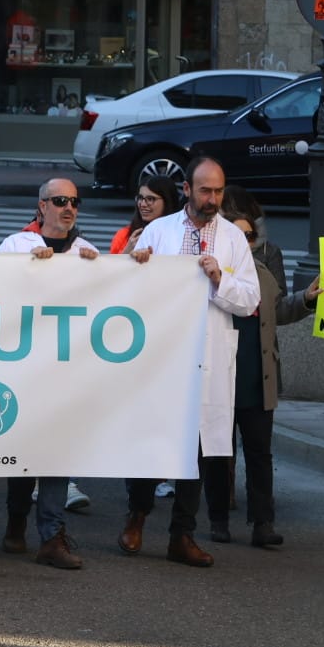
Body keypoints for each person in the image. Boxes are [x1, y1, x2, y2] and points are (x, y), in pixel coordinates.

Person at [124, 156, 260, 568]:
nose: (212, 199)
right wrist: (134, 262)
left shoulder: (233, 240)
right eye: (205, 190)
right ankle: (137, 515)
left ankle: (182, 534)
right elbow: (129, 290)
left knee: (197, 450)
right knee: (153, 439)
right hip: (162, 354)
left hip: (208, 356)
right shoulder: (159, 231)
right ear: (186, 189)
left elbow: (250, 299)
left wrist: (222, 278)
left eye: (218, 191)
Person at [0, 178, 101, 569]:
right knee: (25, 449)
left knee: (58, 448)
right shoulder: (15, 246)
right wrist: (26, 272)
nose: (68, 208)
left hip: (66, 367)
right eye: (59, 201)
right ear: (42, 206)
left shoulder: (87, 252)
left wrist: (120, 269)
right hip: (24, 365)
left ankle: (52, 536)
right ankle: (16, 520)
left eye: (74, 201)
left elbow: (108, 300)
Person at [217, 200, 320, 548]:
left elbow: (279, 312)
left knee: (260, 454)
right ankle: (219, 520)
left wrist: (306, 298)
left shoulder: (262, 274)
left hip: (258, 376)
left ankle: (263, 522)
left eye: (250, 237)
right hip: (219, 375)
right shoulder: (209, 272)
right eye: (239, 236)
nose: (246, 243)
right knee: (218, 452)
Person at [111, 176, 181, 254]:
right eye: (140, 198)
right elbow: (113, 265)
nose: (143, 204)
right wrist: (127, 251)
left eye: (150, 199)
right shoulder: (124, 235)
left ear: (167, 201)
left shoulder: (183, 233)